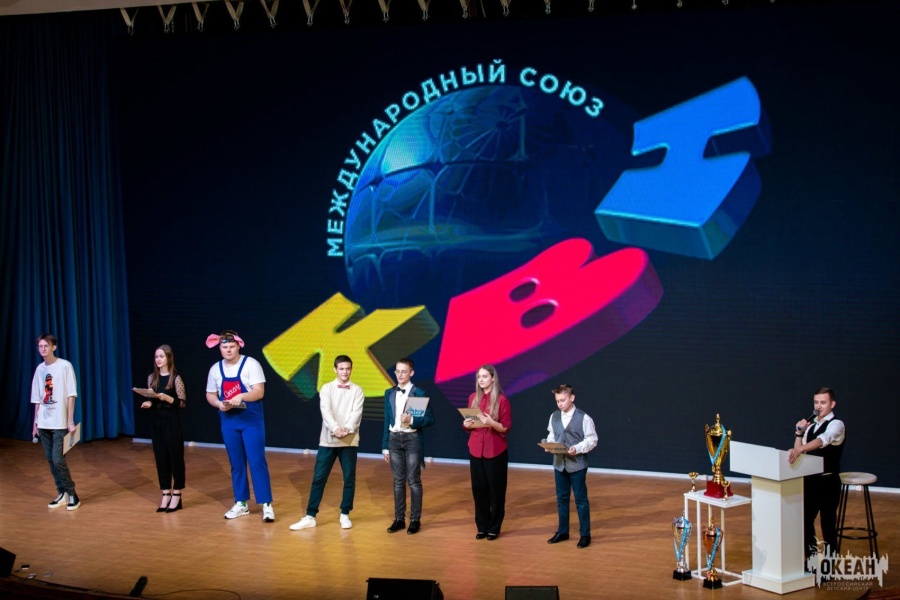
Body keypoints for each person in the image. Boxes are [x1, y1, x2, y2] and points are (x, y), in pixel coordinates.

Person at [204, 330, 275, 522]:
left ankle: (266, 504)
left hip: (251, 421)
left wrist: (241, 396)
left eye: (231, 346)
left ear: (238, 346)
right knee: (236, 463)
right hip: (229, 421)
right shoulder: (215, 369)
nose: (228, 350)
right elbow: (210, 394)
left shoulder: (251, 364)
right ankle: (241, 503)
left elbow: (259, 392)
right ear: (220, 348)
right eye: (224, 347)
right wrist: (219, 404)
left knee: (257, 461)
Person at [290, 355, 365, 531]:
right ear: (335, 369)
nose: (345, 372)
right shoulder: (327, 388)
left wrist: (346, 429)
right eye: (341, 368)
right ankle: (310, 516)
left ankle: (345, 514)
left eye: (348, 368)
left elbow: (356, 413)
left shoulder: (357, 390)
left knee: (349, 478)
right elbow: (326, 411)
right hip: (328, 440)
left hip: (349, 440)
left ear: (351, 370)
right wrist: (336, 428)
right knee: (319, 478)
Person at [788, 387, 845, 558]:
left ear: (832, 404)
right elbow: (799, 450)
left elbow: (823, 440)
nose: (818, 406)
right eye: (816, 402)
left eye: (823, 402)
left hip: (828, 481)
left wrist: (801, 449)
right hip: (811, 481)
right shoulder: (811, 426)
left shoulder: (837, 424)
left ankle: (829, 563)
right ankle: (811, 559)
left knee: (828, 523)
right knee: (805, 520)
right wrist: (799, 433)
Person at [382, 357, 435, 535]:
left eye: (404, 371)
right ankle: (399, 519)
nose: (400, 375)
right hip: (394, 439)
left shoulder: (419, 393)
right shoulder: (389, 393)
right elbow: (386, 420)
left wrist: (412, 420)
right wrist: (385, 446)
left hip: (412, 439)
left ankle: (415, 520)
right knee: (398, 481)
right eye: (397, 371)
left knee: (413, 480)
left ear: (411, 373)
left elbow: (430, 419)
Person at [31, 334, 81, 510]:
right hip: (44, 422)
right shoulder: (39, 369)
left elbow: (71, 395)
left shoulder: (64, 366)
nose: (43, 349)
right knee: (50, 460)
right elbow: (37, 399)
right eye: (40, 346)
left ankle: (72, 494)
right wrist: (35, 424)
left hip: (59, 422)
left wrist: (70, 421)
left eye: (46, 346)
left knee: (58, 459)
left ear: (54, 347)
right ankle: (62, 493)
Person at [544, 384, 598, 549]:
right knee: (561, 498)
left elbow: (592, 439)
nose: (559, 404)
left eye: (562, 400)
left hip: (577, 465)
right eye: (557, 401)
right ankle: (563, 531)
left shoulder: (584, 418)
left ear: (572, 398)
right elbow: (552, 434)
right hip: (559, 464)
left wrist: (578, 448)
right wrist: (549, 445)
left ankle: (585, 534)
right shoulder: (554, 416)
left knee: (580, 499)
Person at [463, 364, 511, 540]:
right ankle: (482, 526)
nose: (481, 380)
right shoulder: (473, 398)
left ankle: (494, 527)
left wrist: (492, 423)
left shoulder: (502, 400)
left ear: (493, 378)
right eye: (479, 377)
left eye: (484, 376)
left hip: (495, 450)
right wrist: (466, 424)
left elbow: (505, 427)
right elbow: (469, 425)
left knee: (496, 491)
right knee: (479, 489)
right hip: (476, 449)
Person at [140, 345, 187, 513]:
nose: (158, 359)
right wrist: (149, 402)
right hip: (156, 421)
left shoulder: (175, 378)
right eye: (156, 357)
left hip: (171, 421)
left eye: (161, 356)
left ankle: (177, 493)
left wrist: (167, 398)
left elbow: (182, 403)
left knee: (175, 457)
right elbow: (152, 398)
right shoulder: (152, 378)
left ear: (168, 358)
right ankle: (165, 492)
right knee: (161, 458)